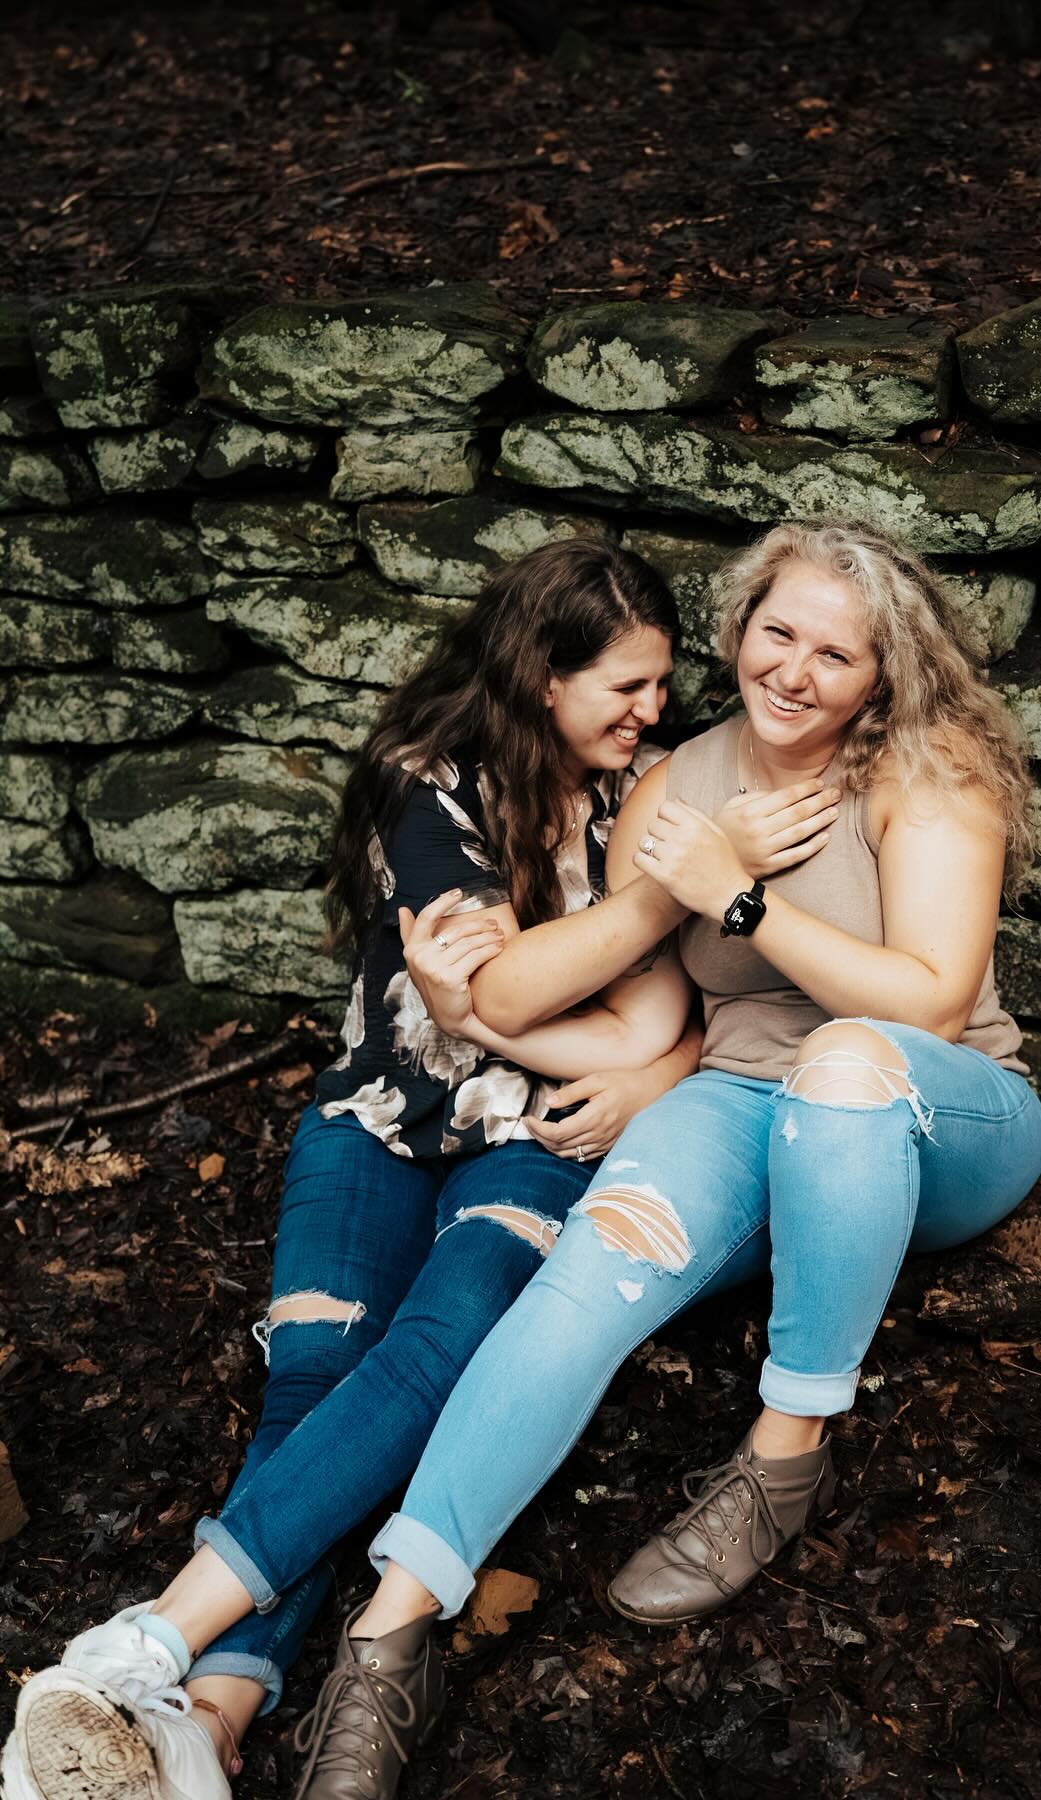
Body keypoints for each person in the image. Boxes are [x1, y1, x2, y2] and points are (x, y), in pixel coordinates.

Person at [2, 537, 837, 1800]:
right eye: (626, 684)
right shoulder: (428, 782)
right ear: (541, 674)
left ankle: (166, 1668)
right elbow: (545, 993)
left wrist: (602, 1046)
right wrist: (650, 922)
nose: (655, 709)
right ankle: (208, 1714)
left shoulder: (659, 795)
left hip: (548, 1128)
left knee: (441, 1347)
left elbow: (640, 1020)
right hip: (385, 1112)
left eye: (663, 684)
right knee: (318, 1369)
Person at [264, 519, 1041, 1800]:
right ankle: (394, 1625)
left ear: (884, 674)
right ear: (738, 631)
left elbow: (933, 1006)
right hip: (742, 1098)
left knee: (847, 1063)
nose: (794, 671)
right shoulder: (676, 785)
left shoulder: (929, 768)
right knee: (590, 1270)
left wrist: (746, 901)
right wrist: (491, 1015)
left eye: (835, 654)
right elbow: (643, 997)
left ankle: (785, 1455)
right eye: (775, 632)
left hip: (943, 1114)